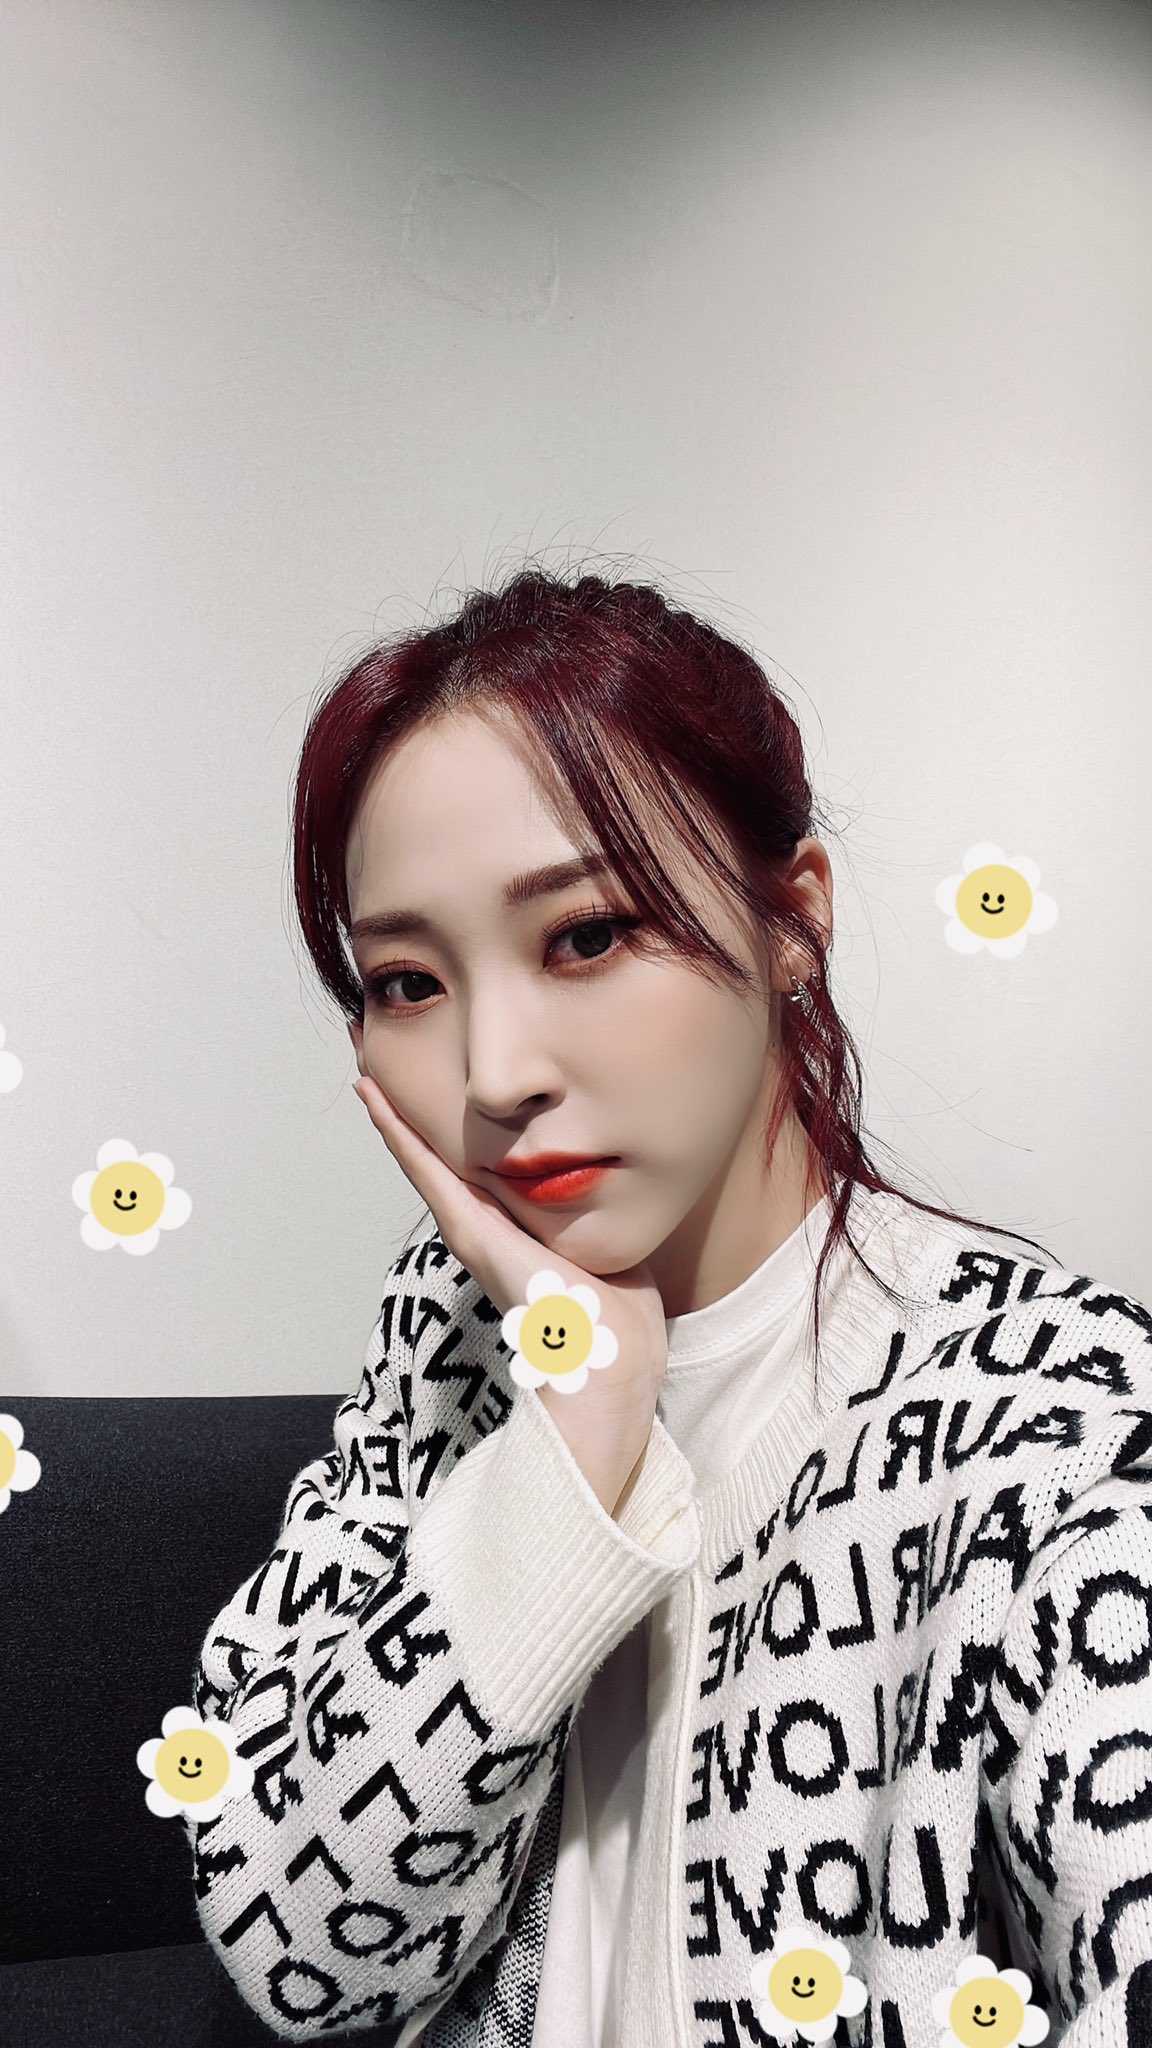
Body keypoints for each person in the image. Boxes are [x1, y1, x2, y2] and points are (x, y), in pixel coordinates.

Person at [186, 565, 1152, 2047]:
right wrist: (575, 1438)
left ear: (792, 919)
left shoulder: (1049, 1416)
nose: (495, 1074)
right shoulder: (448, 1336)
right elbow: (302, 1955)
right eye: (408, 982)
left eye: (585, 936)